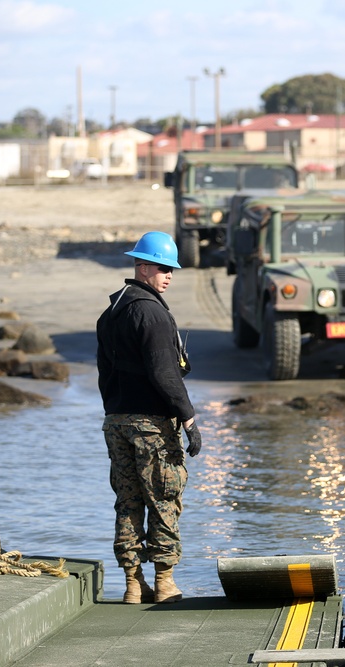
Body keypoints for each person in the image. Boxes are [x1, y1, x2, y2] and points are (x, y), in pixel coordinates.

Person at [96, 231, 202, 604]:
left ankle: (132, 583)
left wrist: (115, 413)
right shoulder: (152, 312)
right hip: (151, 426)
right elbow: (164, 374)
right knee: (163, 498)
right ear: (142, 267)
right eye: (162, 267)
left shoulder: (111, 312)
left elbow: (103, 373)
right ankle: (166, 583)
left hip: (116, 422)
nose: (169, 275)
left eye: (171, 268)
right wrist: (188, 419)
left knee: (128, 502)